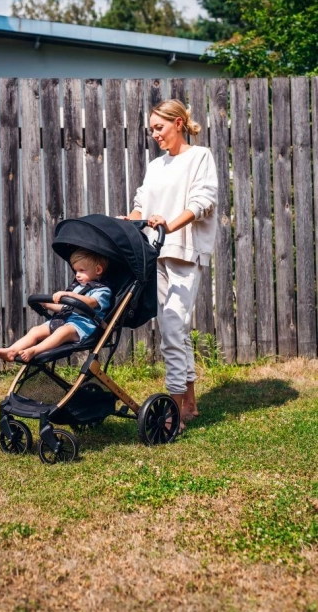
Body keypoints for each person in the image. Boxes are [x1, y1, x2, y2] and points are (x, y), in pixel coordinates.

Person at [119, 99, 218, 431]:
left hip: (184, 252)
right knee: (174, 329)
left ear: (178, 123)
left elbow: (203, 202)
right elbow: (141, 204)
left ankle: (172, 414)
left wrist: (168, 226)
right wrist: (127, 222)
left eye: (159, 128)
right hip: (156, 253)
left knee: (173, 328)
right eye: (151, 130)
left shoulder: (199, 157)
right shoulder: (155, 165)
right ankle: (189, 403)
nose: (155, 135)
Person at [0, 248, 112, 363]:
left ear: (98, 270)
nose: (77, 275)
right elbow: (65, 308)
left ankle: (35, 350)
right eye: (76, 271)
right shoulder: (77, 288)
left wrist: (69, 295)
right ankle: (12, 351)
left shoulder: (103, 290)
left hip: (82, 326)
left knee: (62, 331)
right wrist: (46, 304)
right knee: (35, 330)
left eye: (82, 270)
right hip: (62, 320)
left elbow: (90, 302)